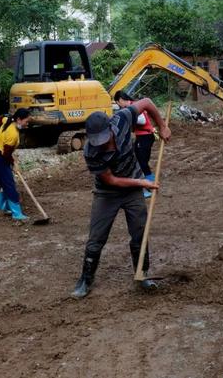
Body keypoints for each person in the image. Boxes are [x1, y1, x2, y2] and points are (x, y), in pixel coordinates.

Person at [71, 98, 172, 299]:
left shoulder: (122, 119)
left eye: (105, 138)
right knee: (96, 237)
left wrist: (161, 126)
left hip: (132, 190)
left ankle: (142, 274)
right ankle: (85, 279)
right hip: (108, 192)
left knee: (139, 231)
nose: (102, 144)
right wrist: (142, 183)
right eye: (97, 140)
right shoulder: (90, 151)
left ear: (111, 128)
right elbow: (112, 180)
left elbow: (147, 102)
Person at [0, 108, 32, 220]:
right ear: (18, 119)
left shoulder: (8, 120)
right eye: (26, 121)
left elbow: (0, 119)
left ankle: (3, 208)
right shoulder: (13, 134)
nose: (27, 124)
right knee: (9, 184)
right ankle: (17, 213)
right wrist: (13, 164)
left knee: (0, 183)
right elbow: (6, 155)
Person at [114, 90, 156, 198]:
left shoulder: (134, 107)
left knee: (141, 162)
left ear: (121, 100)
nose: (119, 106)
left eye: (118, 103)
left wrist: (127, 118)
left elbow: (141, 120)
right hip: (142, 136)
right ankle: (149, 185)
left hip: (145, 136)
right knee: (140, 161)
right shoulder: (132, 106)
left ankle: (149, 186)